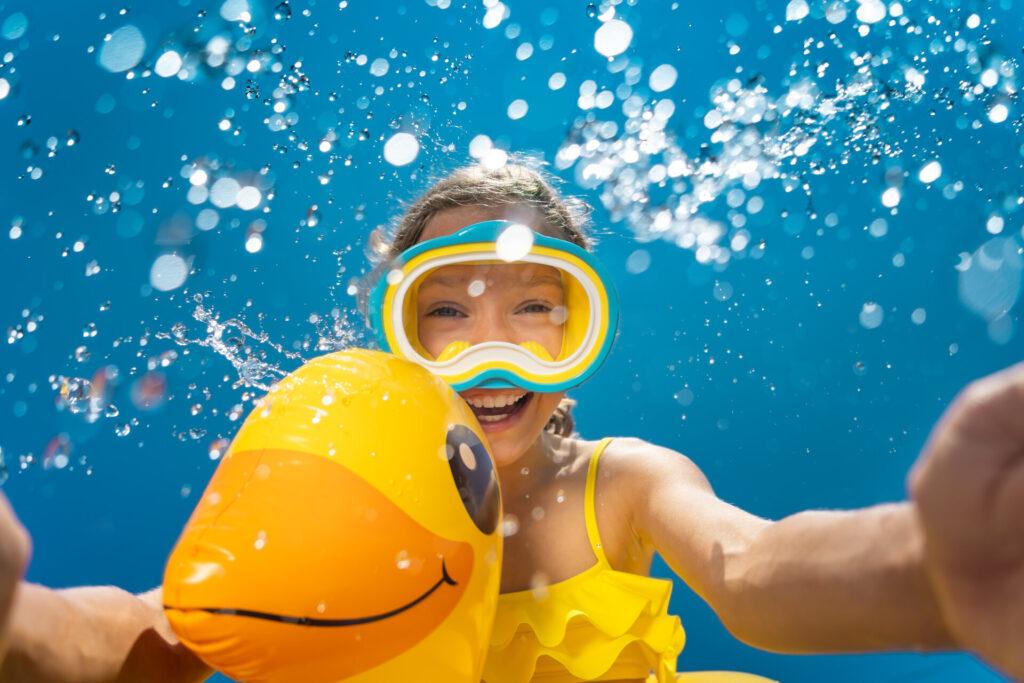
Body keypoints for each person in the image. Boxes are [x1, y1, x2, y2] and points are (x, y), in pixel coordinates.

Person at [1, 160, 1021, 682]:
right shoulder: (351, 483)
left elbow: (750, 568)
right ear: (396, 335)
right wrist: (21, 628)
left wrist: (921, 571)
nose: (490, 353)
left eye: (535, 308)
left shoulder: (616, 482)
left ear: (579, 328)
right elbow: (164, 623)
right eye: (444, 310)